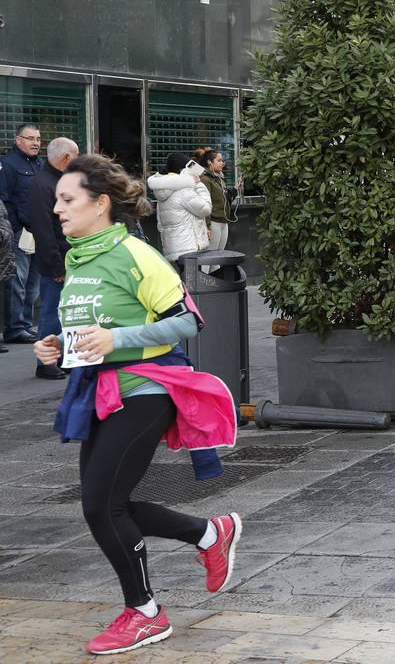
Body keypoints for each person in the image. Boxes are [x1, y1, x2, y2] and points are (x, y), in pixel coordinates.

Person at [39, 154, 240, 656]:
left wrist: (116, 340)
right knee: (107, 506)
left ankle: (145, 613)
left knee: (100, 505)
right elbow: (91, 331)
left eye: (67, 199)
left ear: (100, 203)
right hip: (99, 391)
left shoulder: (137, 255)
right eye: (57, 200)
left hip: (147, 391)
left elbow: (188, 322)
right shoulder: (76, 257)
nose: (57, 209)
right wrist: (56, 345)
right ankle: (209, 534)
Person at [27, 137, 78, 379]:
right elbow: (44, 231)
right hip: (56, 260)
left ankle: (62, 358)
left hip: (66, 256)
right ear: (66, 158)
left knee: (66, 312)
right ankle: (46, 362)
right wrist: (56, 265)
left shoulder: (55, 181)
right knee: (52, 313)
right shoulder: (43, 184)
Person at [2, 123, 44, 343]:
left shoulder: (40, 164)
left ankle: (26, 324)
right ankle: (15, 327)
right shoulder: (8, 164)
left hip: (39, 231)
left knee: (33, 283)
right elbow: (4, 199)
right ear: (18, 140)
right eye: (30, 138)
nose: (35, 143)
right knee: (17, 281)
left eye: (38, 139)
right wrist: (17, 228)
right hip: (20, 233)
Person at [147, 153, 212, 267]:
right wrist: (198, 184)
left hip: (175, 248)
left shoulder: (164, 190)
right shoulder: (183, 191)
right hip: (189, 248)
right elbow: (206, 209)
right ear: (183, 171)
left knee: (184, 281)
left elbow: (161, 225)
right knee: (193, 283)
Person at [195, 149, 236, 254]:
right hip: (213, 222)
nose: (222, 163)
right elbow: (205, 203)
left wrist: (235, 189)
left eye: (222, 160)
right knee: (209, 257)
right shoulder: (205, 179)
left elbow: (224, 199)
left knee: (219, 257)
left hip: (223, 221)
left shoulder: (219, 178)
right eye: (219, 160)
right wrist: (207, 226)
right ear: (209, 162)